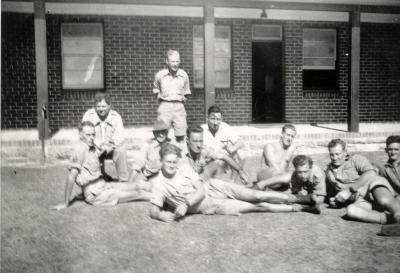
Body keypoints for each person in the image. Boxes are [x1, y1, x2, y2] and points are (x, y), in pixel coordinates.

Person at [149, 144, 320, 223]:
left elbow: (200, 189)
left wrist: (186, 203)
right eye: (168, 162)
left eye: (174, 161)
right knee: (258, 206)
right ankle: (301, 208)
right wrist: (160, 215)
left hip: (212, 187)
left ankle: (299, 198)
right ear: (161, 161)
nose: (172, 165)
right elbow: (153, 209)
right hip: (208, 205)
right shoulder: (159, 184)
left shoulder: (184, 168)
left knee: (256, 195)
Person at [50, 121, 150, 210]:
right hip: (95, 194)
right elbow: (71, 177)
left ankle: (160, 188)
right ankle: (160, 198)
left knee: (133, 186)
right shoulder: (80, 150)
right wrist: (65, 203)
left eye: (93, 135)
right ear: (80, 135)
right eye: (88, 135)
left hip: (103, 185)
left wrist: (105, 148)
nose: (91, 138)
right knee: (137, 194)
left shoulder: (91, 147)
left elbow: (88, 166)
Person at [325, 139, 400, 228]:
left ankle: (398, 216)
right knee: (351, 211)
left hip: (371, 187)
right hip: (360, 198)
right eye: (331, 155)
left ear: (345, 152)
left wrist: (350, 190)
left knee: (381, 195)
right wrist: (335, 200)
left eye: (337, 154)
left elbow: (370, 172)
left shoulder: (356, 159)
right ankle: (389, 220)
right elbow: (331, 192)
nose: (334, 158)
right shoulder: (328, 171)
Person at [82, 92, 129, 182]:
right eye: (98, 106)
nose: (101, 109)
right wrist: (99, 145)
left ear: (109, 106)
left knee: (121, 150)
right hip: (95, 147)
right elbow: (84, 133)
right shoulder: (88, 115)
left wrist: (109, 146)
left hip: (111, 147)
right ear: (95, 106)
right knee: (87, 149)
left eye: (104, 106)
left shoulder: (116, 116)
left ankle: (124, 180)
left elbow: (119, 136)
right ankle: (97, 178)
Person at [182, 124, 250, 183]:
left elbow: (224, 157)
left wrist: (241, 172)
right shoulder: (180, 155)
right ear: (187, 140)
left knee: (216, 163)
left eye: (201, 141)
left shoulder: (204, 150)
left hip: (201, 182)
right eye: (195, 141)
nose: (199, 145)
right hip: (186, 186)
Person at [153, 49, 190, 144]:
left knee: (181, 135)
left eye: (177, 61)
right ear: (167, 61)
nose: (175, 64)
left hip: (179, 107)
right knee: (161, 135)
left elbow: (186, 91)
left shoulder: (183, 75)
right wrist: (161, 99)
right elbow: (156, 89)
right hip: (165, 105)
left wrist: (182, 100)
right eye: (173, 61)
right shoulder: (160, 75)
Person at [201, 105, 245, 181]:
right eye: (212, 119)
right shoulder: (202, 130)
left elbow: (240, 142)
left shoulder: (225, 127)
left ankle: (232, 183)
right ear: (207, 118)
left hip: (224, 159)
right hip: (208, 161)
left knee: (241, 154)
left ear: (221, 119)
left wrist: (232, 149)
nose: (215, 122)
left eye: (218, 119)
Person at [253, 124, 297, 190]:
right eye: (288, 135)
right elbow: (274, 167)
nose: (289, 138)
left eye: (292, 136)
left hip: (281, 179)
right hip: (266, 176)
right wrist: (290, 151)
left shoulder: (289, 149)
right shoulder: (269, 146)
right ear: (282, 134)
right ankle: (263, 185)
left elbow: (288, 168)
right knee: (289, 176)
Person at [129, 119, 170, 183]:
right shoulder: (148, 145)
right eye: (158, 132)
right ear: (154, 133)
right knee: (137, 183)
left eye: (163, 132)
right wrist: (129, 182)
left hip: (168, 175)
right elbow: (138, 164)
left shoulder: (171, 144)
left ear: (167, 133)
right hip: (151, 175)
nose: (161, 135)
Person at [376, 136, 400, 235]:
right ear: (386, 150)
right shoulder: (384, 168)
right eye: (390, 149)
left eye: (396, 149)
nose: (393, 152)